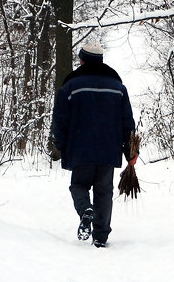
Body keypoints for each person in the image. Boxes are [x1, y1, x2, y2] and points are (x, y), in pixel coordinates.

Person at [49, 38, 136, 248]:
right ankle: (101, 236)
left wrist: (59, 143)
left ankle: (85, 209)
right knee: (104, 190)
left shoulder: (70, 87)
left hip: (80, 147)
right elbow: (128, 122)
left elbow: (60, 119)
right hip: (109, 148)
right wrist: (130, 150)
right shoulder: (118, 88)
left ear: (83, 61)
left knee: (79, 185)